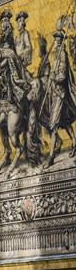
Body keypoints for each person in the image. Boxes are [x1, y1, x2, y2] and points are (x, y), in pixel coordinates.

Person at [0, 9, 30, 139]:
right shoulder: (4, 42)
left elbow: (7, 57)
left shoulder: (8, 44)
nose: (3, 25)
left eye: (5, 21)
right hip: (1, 74)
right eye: (2, 21)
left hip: (6, 75)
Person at [44, 29, 76, 168]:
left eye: (58, 39)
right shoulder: (55, 55)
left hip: (60, 93)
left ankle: (51, 157)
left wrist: (54, 78)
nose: (56, 41)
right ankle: (75, 142)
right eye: (55, 39)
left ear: (61, 41)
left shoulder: (62, 55)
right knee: (64, 121)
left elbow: (62, 77)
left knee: (53, 125)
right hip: (54, 92)